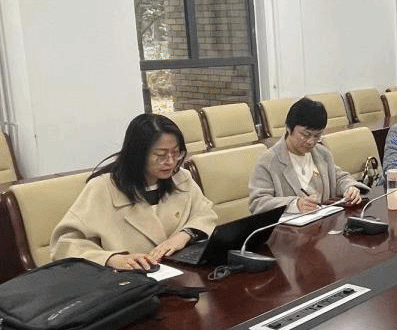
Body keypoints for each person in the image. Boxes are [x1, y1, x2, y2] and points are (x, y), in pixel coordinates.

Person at [50, 113, 217, 271]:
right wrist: (111, 259)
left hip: (180, 271)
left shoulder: (181, 178)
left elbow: (205, 213)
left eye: (176, 153)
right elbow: (65, 244)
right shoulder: (102, 188)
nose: (171, 162)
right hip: (127, 279)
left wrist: (185, 235)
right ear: (138, 154)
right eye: (161, 155)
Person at [249, 97, 365, 215]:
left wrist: (350, 188)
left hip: (324, 221)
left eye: (317, 136)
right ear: (288, 128)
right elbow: (258, 203)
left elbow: (339, 178)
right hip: (290, 225)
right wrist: (294, 204)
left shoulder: (322, 153)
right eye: (305, 135)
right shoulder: (269, 161)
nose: (311, 141)